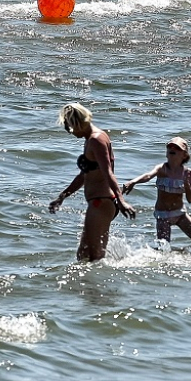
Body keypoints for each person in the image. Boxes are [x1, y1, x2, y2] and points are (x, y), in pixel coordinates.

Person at [50, 102, 132, 263]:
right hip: (99, 203)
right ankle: (92, 286)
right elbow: (84, 175)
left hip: (101, 202)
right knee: (83, 254)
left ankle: (98, 287)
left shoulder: (96, 140)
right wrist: (62, 196)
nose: (70, 132)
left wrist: (122, 201)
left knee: (95, 256)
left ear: (77, 123)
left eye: (69, 128)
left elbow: (108, 172)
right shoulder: (90, 140)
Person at [125, 136, 191, 247]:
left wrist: (187, 185)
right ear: (166, 153)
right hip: (163, 215)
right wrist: (133, 182)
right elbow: (148, 175)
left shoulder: (187, 173)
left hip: (180, 214)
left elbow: (190, 200)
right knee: (163, 249)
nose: (172, 149)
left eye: (177, 148)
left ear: (184, 155)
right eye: (170, 147)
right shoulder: (162, 169)